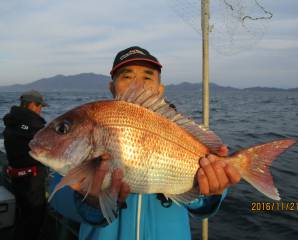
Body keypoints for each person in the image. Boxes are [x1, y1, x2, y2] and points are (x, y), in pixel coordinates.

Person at [50, 46, 241, 240]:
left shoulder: (178, 129)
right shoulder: (96, 122)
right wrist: (89, 203)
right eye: (127, 76)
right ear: (111, 87)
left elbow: (204, 207)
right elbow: (57, 197)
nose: (137, 84)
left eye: (148, 77)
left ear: (160, 89)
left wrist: (208, 192)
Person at [3, 90, 48, 240]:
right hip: (32, 181)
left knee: (23, 215)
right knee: (34, 219)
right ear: (31, 105)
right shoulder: (35, 125)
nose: (40, 110)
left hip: (16, 177)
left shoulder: (12, 121)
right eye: (39, 105)